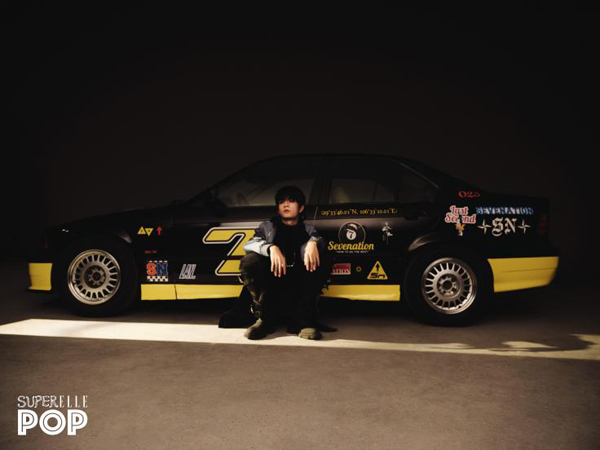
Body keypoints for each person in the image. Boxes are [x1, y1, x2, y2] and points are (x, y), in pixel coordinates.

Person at [218, 185, 336, 340]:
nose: (285, 204)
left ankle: (302, 320)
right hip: (270, 291)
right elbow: (249, 244)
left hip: (297, 291)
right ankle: (264, 319)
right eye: (281, 202)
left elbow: (319, 241)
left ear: (301, 208)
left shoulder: (308, 230)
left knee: (323, 257)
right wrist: (270, 248)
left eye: (291, 201)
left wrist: (313, 242)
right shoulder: (267, 227)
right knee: (250, 261)